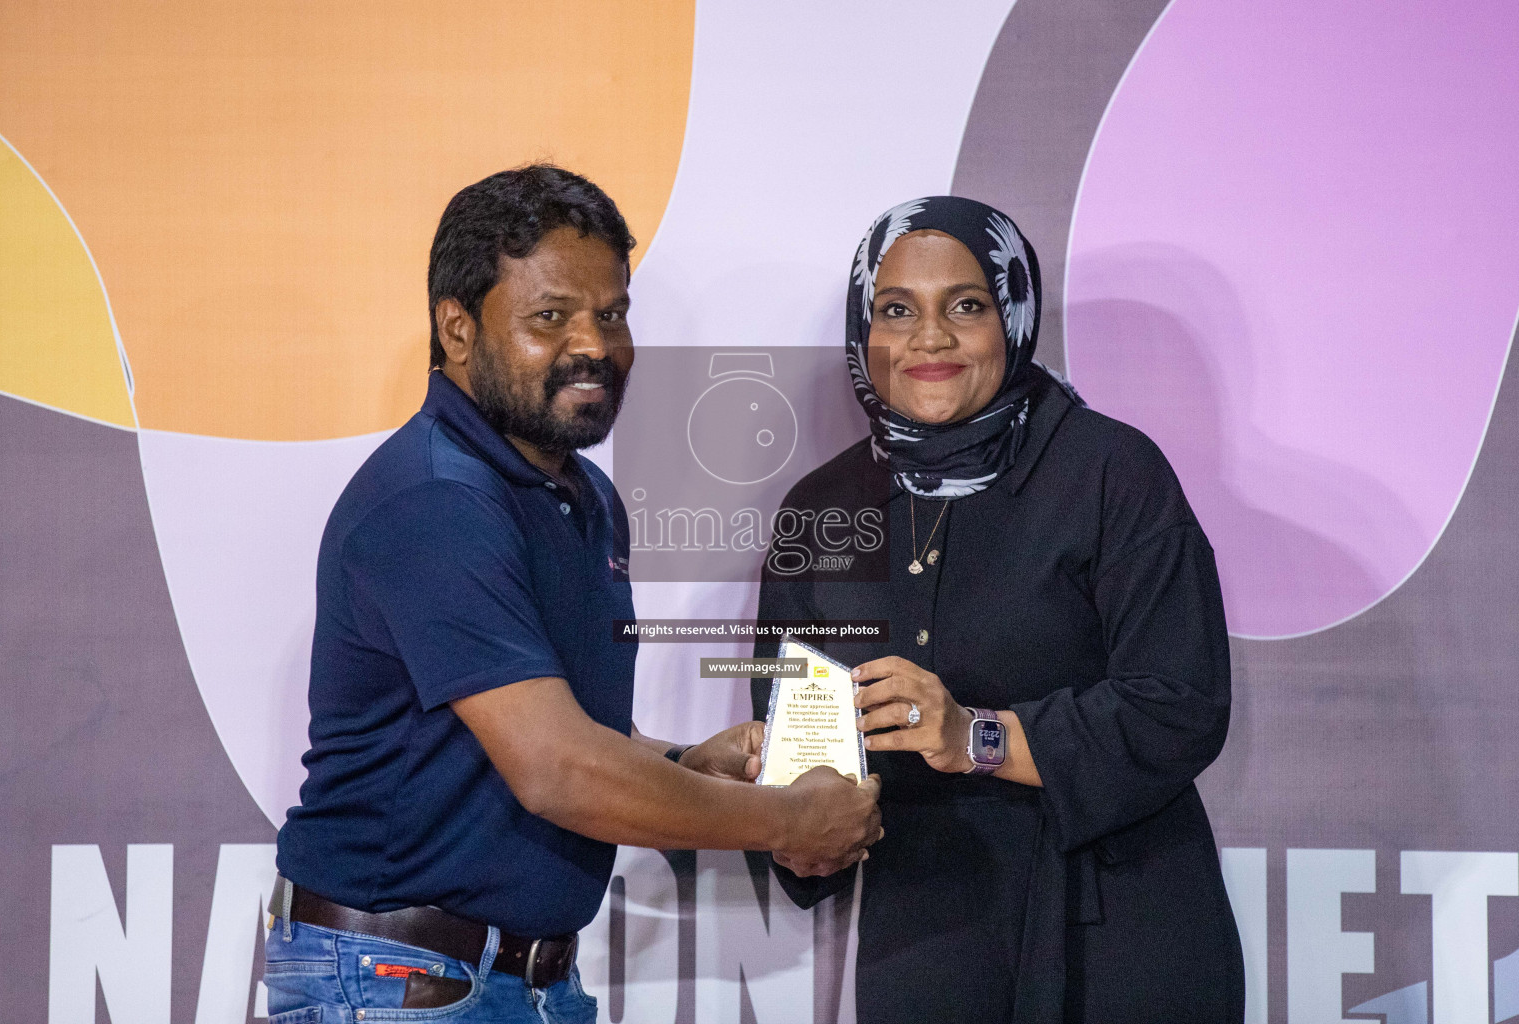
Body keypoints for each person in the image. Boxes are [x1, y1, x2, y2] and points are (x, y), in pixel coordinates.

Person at [266, 165, 881, 1024]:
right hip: (397, 982)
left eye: (612, 314)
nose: (594, 343)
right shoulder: (435, 500)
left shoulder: (582, 499)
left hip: (523, 980)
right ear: (457, 328)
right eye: (550, 317)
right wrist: (785, 821)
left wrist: (681, 764)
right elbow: (559, 770)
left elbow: (574, 733)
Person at [753, 196, 1243, 1023]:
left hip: (1122, 929)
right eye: (896, 309)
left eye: (967, 306)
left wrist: (976, 737)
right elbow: (795, 746)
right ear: (861, 329)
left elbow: (1181, 704)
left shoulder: (1112, 473)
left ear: (1013, 316)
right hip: (927, 936)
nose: (929, 338)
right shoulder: (820, 508)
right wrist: (790, 814)